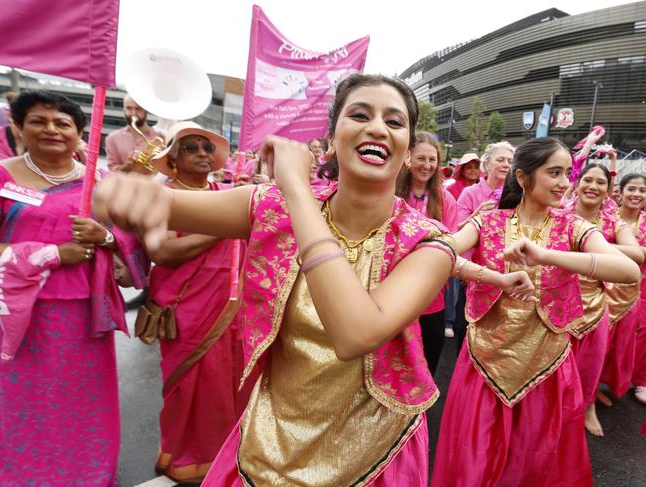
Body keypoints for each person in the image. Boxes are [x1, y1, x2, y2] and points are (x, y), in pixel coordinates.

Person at [94, 74, 533, 486]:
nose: (377, 127)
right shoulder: (271, 205)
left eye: (394, 121)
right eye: (360, 115)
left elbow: (354, 334)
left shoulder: (428, 243)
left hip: (373, 455)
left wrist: (297, 190)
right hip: (268, 441)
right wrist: (126, 192)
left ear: (405, 148)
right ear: (329, 143)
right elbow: (158, 201)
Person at [431, 137, 640, 487]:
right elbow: (440, 251)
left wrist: (546, 256)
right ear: (524, 178)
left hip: (548, 365)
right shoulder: (489, 223)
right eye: (553, 173)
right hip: (486, 360)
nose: (564, 183)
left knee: (536, 460)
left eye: (566, 174)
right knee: (475, 456)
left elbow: (628, 270)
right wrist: (494, 277)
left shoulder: (574, 227)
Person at [0, 90, 147, 485]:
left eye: (62, 123)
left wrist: (107, 237)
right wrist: (49, 254)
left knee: (82, 402)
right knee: (22, 402)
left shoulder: (101, 182)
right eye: (38, 121)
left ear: (81, 132)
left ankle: (86, 474)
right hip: (19, 313)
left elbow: (132, 239)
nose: (51, 129)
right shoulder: (2, 176)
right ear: (18, 126)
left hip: (82, 314)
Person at [144, 121, 251, 483]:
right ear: (172, 158)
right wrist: (222, 226)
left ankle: (226, 455)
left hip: (234, 309)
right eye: (192, 148)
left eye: (207, 148)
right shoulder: (163, 196)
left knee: (230, 385)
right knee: (189, 386)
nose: (203, 154)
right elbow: (162, 250)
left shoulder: (227, 193)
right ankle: (188, 459)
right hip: (186, 311)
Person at [567, 163, 643, 437]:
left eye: (601, 182)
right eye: (588, 180)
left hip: (598, 305)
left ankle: (588, 407)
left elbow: (638, 255)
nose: (593, 186)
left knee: (590, 364)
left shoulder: (613, 223)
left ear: (609, 192)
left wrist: (591, 241)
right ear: (576, 185)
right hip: (559, 304)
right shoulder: (557, 215)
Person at [395, 131, 457, 374]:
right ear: (408, 158)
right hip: (394, 293)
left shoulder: (445, 198)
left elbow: (450, 244)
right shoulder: (391, 192)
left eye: (432, 160)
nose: (427, 165)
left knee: (428, 364)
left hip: (432, 297)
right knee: (395, 363)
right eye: (421, 158)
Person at [452, 141, 514, 351]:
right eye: (501, 159)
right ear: (486, 164)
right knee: (466, 325)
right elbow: (456, 232)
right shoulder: (470, 193)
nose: (506, 164)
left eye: (510, 161)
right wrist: (477, 214)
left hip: (505, 273)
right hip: (473, 273)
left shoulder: (516, 196)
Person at [600, 173, 646, 406]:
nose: (637, 194)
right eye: (632, 189)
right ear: (622, 191)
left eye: (642, 190)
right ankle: (589, 389)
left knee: (622, 343)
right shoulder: (607, 218)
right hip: (602, 288)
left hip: (631, 292)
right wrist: (629, 245)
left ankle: (601, 385)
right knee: (598, 343)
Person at [104, 94, 161, 172]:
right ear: (124, 109)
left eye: (138, 109)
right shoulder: (112, 138)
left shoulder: (159, 138)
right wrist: (126, 167)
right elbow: (112, 170)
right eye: (129, 108)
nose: (133, 113)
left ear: (146, 110)